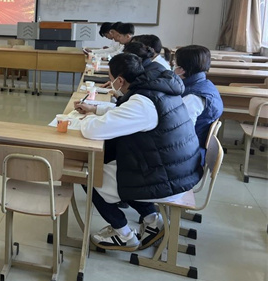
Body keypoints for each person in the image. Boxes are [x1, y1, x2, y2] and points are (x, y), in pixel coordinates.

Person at [74, 53, 202, 251]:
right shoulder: (156, 89)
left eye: (110, 78)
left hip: (168, 179)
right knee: (117, 168)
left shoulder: (143, 103)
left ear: (119, 81)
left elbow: (92, 130)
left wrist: (87, 119)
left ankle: (123, 234)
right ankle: (152, 220)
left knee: (89, 174)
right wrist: (96, 110)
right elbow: (125, 113)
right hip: (175, 169)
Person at [174, 45, 223, 151]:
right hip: (195, 144)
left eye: (174, 63)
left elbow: (181, 133)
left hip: (189, 151)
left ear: (181, 69)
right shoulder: (205, 84)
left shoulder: (193, 98)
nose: (172, 66)